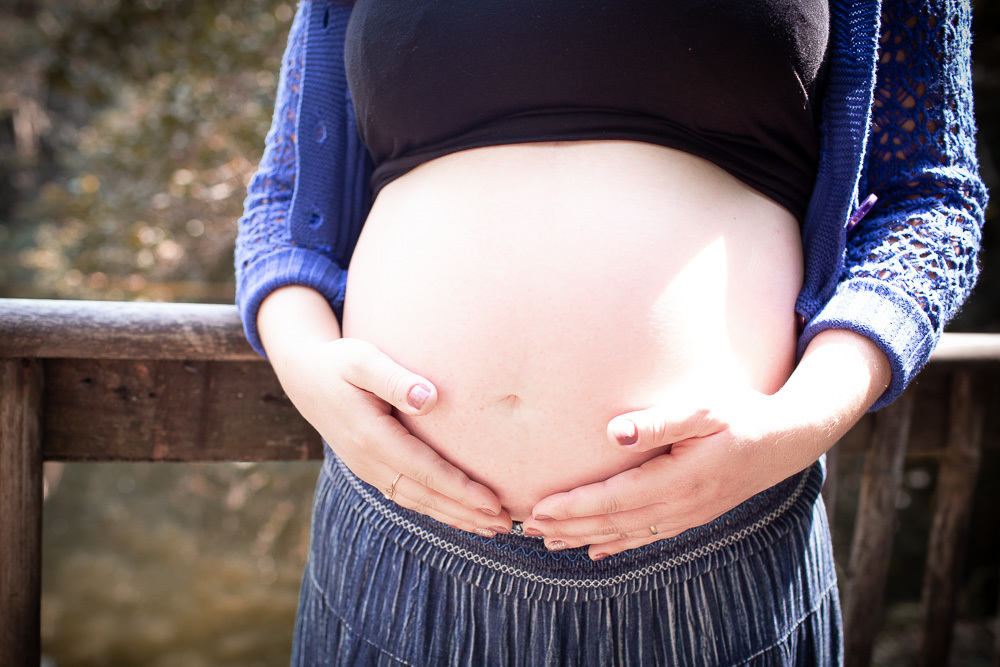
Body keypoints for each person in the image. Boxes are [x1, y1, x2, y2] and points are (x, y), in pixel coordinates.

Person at [235, 0, 987, 664]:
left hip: (714, 563)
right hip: (396, 546)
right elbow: (282, 204)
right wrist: (308, 370)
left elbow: (930, 200)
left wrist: (800, 421)